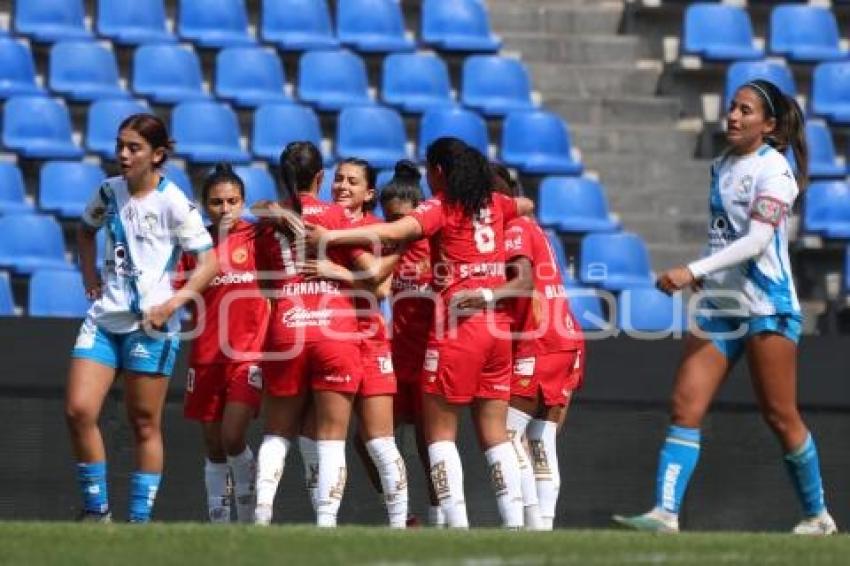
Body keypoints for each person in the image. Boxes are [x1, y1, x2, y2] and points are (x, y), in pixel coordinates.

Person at [613, 79, 837, 535]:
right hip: (721, 304)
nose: (733, 116)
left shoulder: (776, 171)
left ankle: (818, 516)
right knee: (684, 405)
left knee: (780, 415)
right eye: (732, 107)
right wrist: (708, 281)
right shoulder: (721, 165)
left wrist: (693, 270)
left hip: (765, 305)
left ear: (770, 125)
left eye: (746, 111)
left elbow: (756, 242)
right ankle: (665, 513)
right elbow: (723, 235)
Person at [305, 138, 534, 529]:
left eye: (431, 170)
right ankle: (513, 525)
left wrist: (331, 238)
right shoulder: (495, 205)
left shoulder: (441, 206)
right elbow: (524, 205)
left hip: (458, 327)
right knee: (495, 435)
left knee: (439, 434)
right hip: (497, 326)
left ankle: (455, 525)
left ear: (440, 172)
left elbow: (397, 231)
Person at [66, 113, 218, 522]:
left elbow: (209, 262)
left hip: (151, 327)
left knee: (144, 424)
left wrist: (174, 303)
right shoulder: (107, 192)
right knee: (79, 410)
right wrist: (89, 275)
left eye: (133, 147)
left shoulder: (173, 201)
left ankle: (138, 522)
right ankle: (97, 512)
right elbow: (84, 231)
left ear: (158, 154)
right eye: (120, 145)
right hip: (104, 321)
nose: (123, 154)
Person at [251, 142, 367, 528]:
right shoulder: (336, 216)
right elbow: (369, 275)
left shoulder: (268, 223)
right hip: (334, 328)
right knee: (332, 436)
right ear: (320, 177)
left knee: (277, 432)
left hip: (287, 325)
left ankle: (263, 510)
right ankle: (326, 521)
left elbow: (267, 286)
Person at [490, 164, 586, 530]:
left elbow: (523, 282)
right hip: (564, 339)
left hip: (539, 341)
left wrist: (480, 298)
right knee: (541, 439)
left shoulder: (513, 229)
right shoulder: (533, 229)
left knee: (509, 435)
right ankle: (543, 527)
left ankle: (526, 524)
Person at [178, 164, 270, 523]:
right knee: (214, 445)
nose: (226, 208)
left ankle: (249, 517)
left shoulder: (258, 238)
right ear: (205, 206)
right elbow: (180, 296)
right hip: (205, 356)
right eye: (217, 202)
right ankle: (219, 524)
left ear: (243, 202)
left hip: (249, 355)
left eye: (233, 201)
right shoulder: (195, 246)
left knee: (233, 437)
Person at [380, 161, 444, 527]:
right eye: (388, 218)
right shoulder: (384, 250)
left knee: (428, 443)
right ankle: (403, 515)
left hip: (428, 359)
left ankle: (439, 518)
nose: (394, 228)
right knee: (369, 440)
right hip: (394, 357)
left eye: (400, 220)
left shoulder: (436, 251)